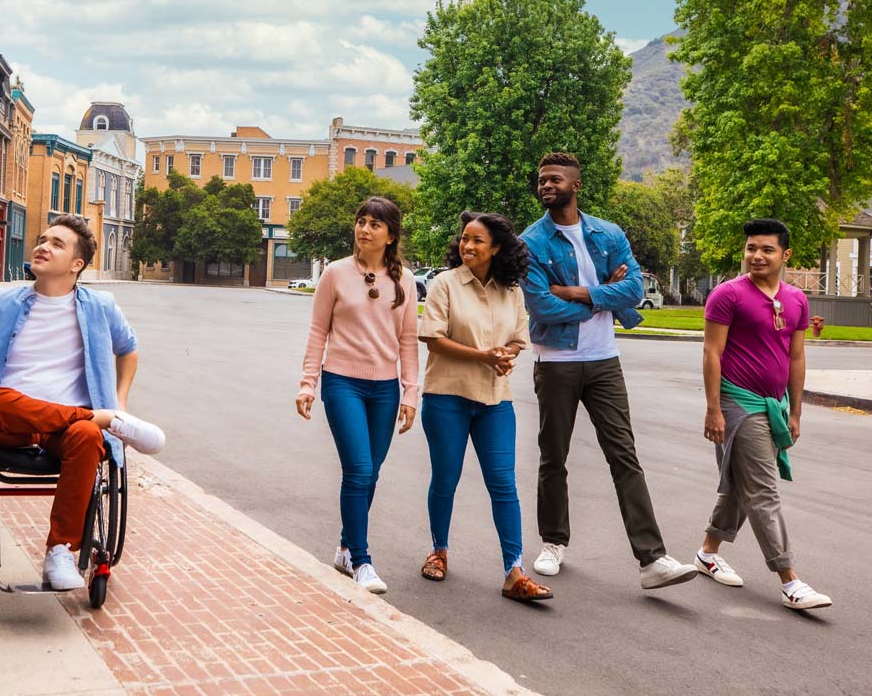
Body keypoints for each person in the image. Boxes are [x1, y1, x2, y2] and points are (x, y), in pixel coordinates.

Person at [0, 216, 166, 590]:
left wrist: (120, 399)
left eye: (57, 243)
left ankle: (60, 550)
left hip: (65, 433)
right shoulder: (0, 302)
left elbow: (129, 350)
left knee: (87, 436)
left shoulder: (101, 307)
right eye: (42, 240)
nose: (43, 246)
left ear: (77, 264)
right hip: (7, 426)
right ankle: (105, 419)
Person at [519, 151, 697, 590]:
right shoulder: (530, 242)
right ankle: (552, 542)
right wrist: (602, 295)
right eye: (542, 180)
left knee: (624, 455)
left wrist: (579, 292)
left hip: (603, 362)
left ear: (575, 185)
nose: (546, 185)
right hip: (556, 361)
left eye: (555, 179)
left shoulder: (607, 232)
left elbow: (634, 288)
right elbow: (541, 303)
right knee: (553, 457)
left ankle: (652, 559)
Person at [694, 218, 832, 611]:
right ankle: (790, 580)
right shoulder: (727, 295)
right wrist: (713, 408)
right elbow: (712, 353)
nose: (756, 255)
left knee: (741, 484)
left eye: (767, 249)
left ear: (784, 255)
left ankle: (707, 552)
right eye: (751, 248)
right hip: (739, 403)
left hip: (774, 405)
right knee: (763, 490)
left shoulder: (797, 299)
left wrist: (796, 410)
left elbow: (797, 356)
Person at [418, 214, 550, 602]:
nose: (468, 246)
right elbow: (433, 339)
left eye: (477, 241)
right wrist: (484, 356)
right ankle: (438, 551)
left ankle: (514, 572)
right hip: (447, 396)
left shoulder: (512, 291)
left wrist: (505, 356)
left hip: (495, 400)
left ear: (497, 248)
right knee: (446, 479)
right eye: (464, 239)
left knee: (504, 484)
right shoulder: (444, 283)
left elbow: (516, 339)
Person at [297, 197, 420, 595]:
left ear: (390, 235)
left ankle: (345, 547)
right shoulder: (334, 274)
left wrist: (410, 393)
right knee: (359, 470)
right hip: (342, 382)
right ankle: (362, 561)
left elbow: (409, 340)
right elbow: (319, 331)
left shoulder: (404, 280)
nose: (364, 229)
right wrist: (307, 383)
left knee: (372, 472)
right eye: (361, 222)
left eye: (374, 225)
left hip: (384, 388)